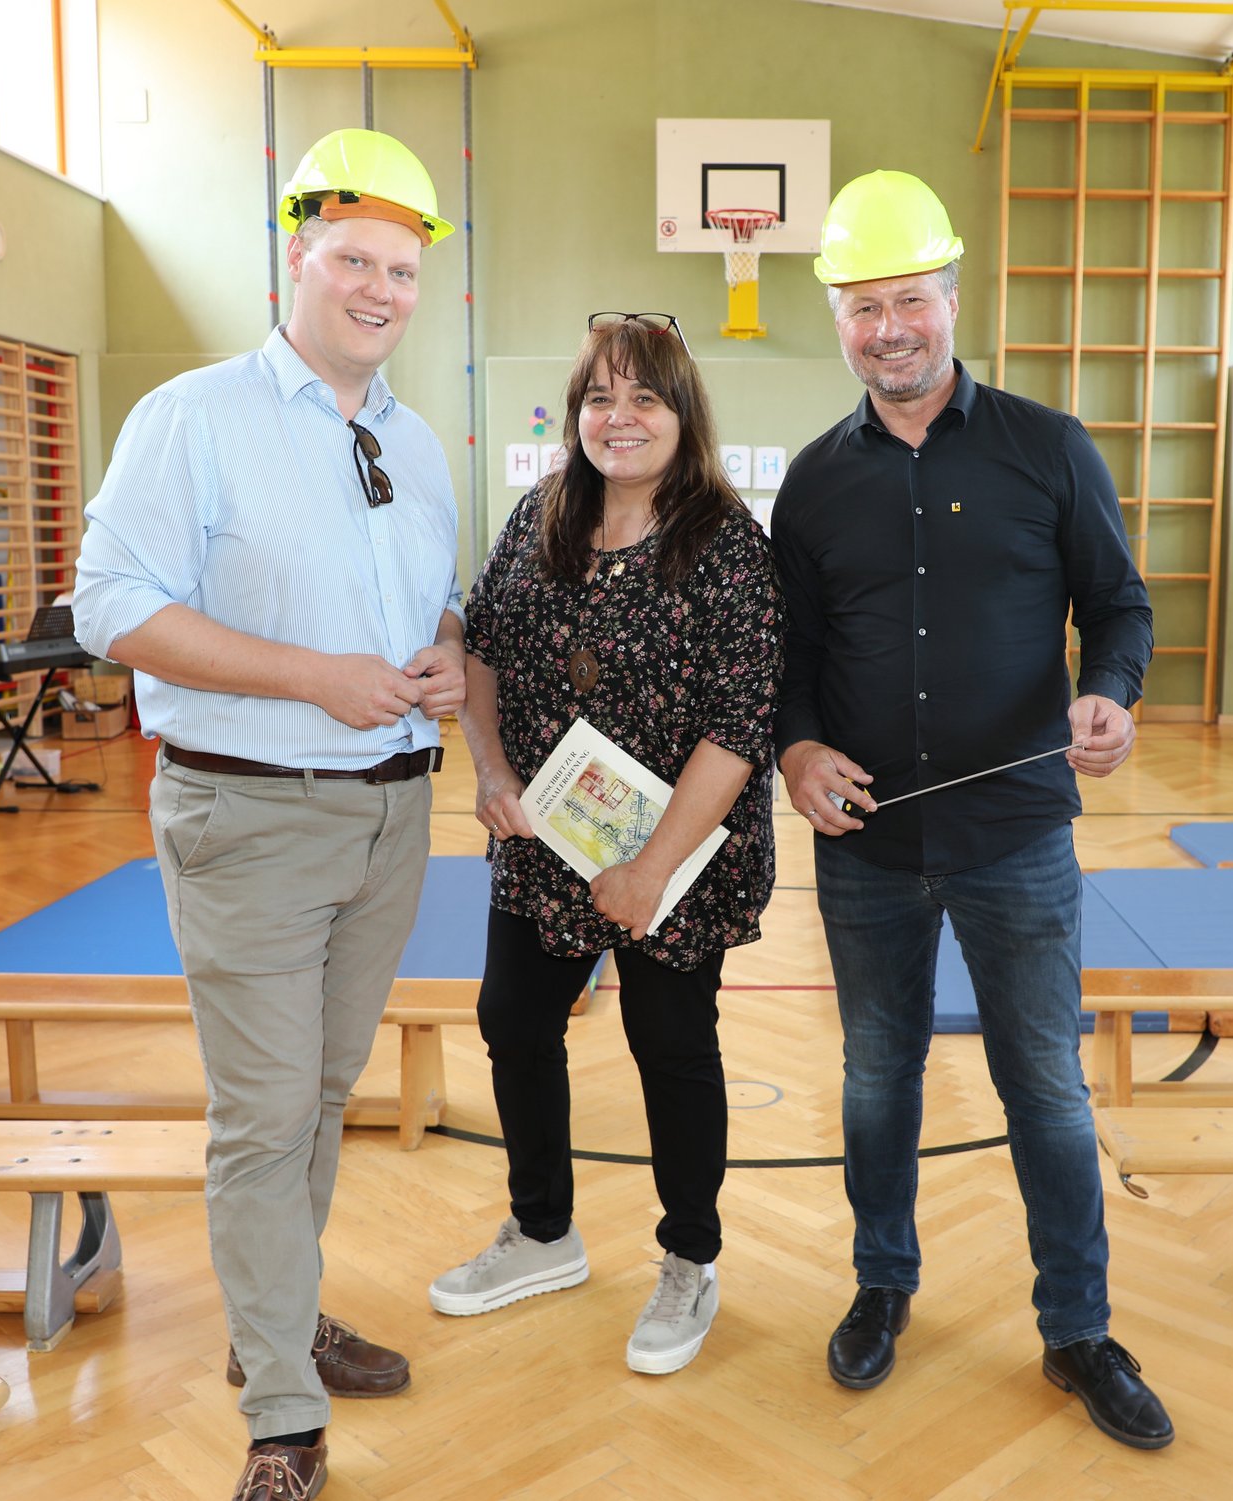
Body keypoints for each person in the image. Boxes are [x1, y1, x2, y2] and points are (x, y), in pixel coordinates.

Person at [71, 127, 465, 1501]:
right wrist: (318, 677)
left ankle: (276, 1327)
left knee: (322, 1099)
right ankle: (283, 1418)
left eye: (403, 270)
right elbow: (109, 607)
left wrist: (450, 654)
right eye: (353, 259)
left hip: (394, 817)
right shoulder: (192, 414)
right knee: (262, 1115)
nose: (379, 288)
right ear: (296, 260)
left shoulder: (413, 443)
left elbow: (427, 608)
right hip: (248, 814)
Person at [770, 170, 1171, 1450]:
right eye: (859, 307)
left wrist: (1107, 693)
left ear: (950, 299)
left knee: (1044, 1087)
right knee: (876, 1080)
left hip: (1016, 843)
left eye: (906, 301)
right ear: (833, 317)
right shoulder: (813, 484)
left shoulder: (1048, 446)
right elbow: (787, 658)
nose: (885, 328)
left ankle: (1078, 1329)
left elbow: (1119, 606)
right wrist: (794, 750)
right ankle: (882, 1284)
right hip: (867, 845)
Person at [428, 312, 782, 1377]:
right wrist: (489, 773)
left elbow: (738, 726)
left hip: (673, 855)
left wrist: (649, 866)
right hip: (544, 838)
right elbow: (480, 648)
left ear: (682, 415)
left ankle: (688, 1259)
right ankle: (542, 1231)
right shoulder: (540, 514)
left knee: (670, 1047)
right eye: (597, 397)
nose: (617, 418)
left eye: (642, 398)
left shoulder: (725, 544)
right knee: (511, 1017)